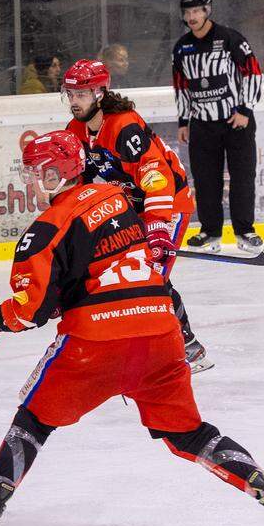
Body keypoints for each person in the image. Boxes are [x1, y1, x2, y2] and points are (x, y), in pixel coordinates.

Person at [0, 130, 264, 526]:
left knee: (33, 421)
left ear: (53, 175)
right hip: (161, 333)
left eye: (34, 173)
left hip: (96, 344)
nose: (28, 181)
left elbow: (29, 311)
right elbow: (110, 251)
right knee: (190, 434)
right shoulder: (118, 200)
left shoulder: (45, 230)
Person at [61, 59, 212, 373]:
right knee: (125, 276)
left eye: (82, 94)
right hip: (131, 209)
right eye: (70, 94)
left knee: (154, 278)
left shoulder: (123, 125)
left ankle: (188, 348)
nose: (74, 101)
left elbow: (155, 174)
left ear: (100, 93)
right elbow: (80, 182)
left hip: (168, 203)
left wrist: (157, 225)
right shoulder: (75, 131)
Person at [172, 0, 264, 252]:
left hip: (236, 122)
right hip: (202, 124)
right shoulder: (182, 48)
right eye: (187, 12)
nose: (191, 17)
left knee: (242, 177)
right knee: (205, 180)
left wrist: (245, 110)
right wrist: (183, 120)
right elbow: (181, 85)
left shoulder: (229, 39)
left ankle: (245, 231)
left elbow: (253, 73)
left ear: (207, 11)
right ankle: (210, 232)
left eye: (196, 11)